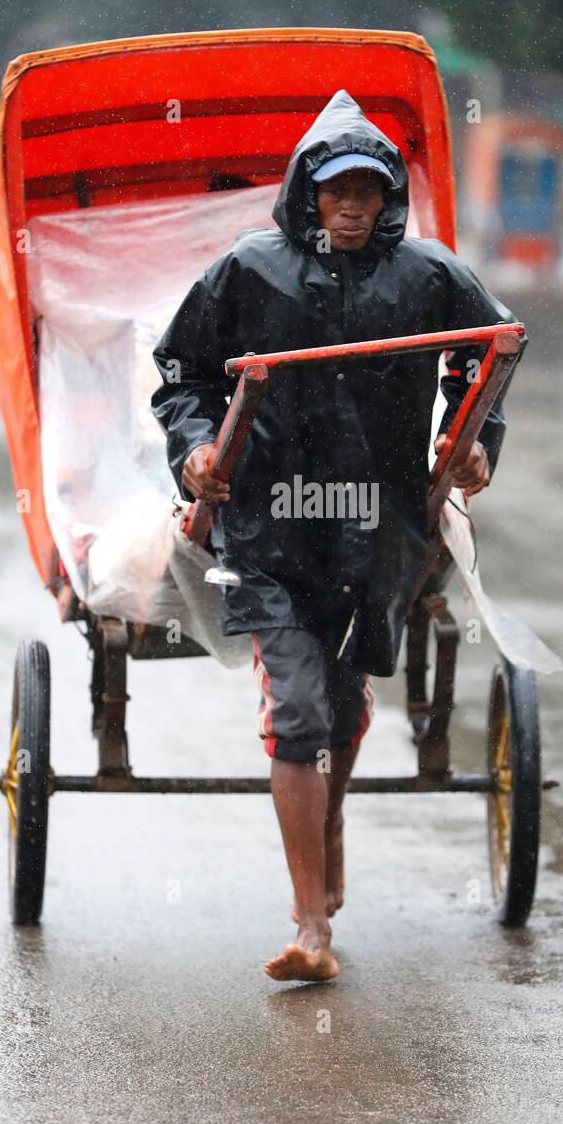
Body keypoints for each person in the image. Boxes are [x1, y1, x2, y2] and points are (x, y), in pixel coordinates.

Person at [152, 90, 517, 982]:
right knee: (301, 710)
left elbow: (492, 352)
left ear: (388, 195)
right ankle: (312, 928)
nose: (352, 206)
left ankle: (328, 824)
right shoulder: (250, 270)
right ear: (307, 193)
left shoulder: (428, 276)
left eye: (369, 189)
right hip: (269, 533)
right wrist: (198, 450)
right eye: (336, 189)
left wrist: (469, 445)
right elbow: (181, 371)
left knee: (346, 709)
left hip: (377, 532)